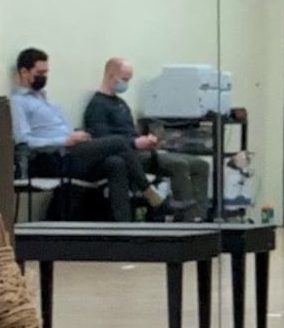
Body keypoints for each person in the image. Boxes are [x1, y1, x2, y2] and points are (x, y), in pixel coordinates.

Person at [9, 46, 164, 221]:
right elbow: (22, 141)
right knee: (119, 142)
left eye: (46, 72)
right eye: (40, 72)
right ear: (24, 72)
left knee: (116, 163)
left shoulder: (49, 102)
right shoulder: (18, 103)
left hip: (71, 153)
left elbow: (66, 131)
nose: (44, 77)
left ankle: (123, 227)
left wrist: (78, 136)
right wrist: (65, 140)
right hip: (51, 158)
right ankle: (149, 192)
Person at [84, 58, 212, 218]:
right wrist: (135, 143)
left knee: (200, 165)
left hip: (142, 152)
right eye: (124, 79)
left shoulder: (121, 103)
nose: (126, 84)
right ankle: (188, 220)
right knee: (179, 165)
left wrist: (148, 141)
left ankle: (200, 217)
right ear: (111, 76)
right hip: (128, 156)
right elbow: (103, 141)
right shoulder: (97, 106)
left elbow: (130, 133)